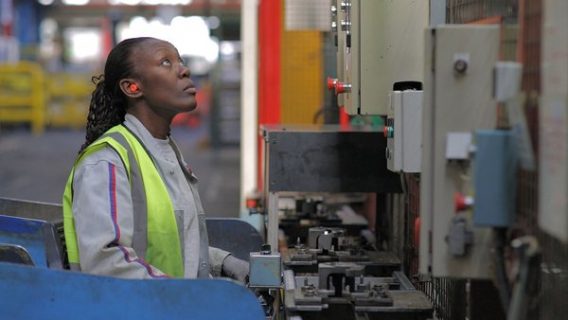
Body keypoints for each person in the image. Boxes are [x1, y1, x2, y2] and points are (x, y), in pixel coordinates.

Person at [62, 37, 248, 281]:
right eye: (165, 62)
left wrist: (223, 263)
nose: (184, 70)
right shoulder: (107, 162)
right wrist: (188, 298)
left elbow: (171, 245)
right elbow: (106, 263)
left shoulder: (164, 150)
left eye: (179, 60)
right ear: (133, 87)